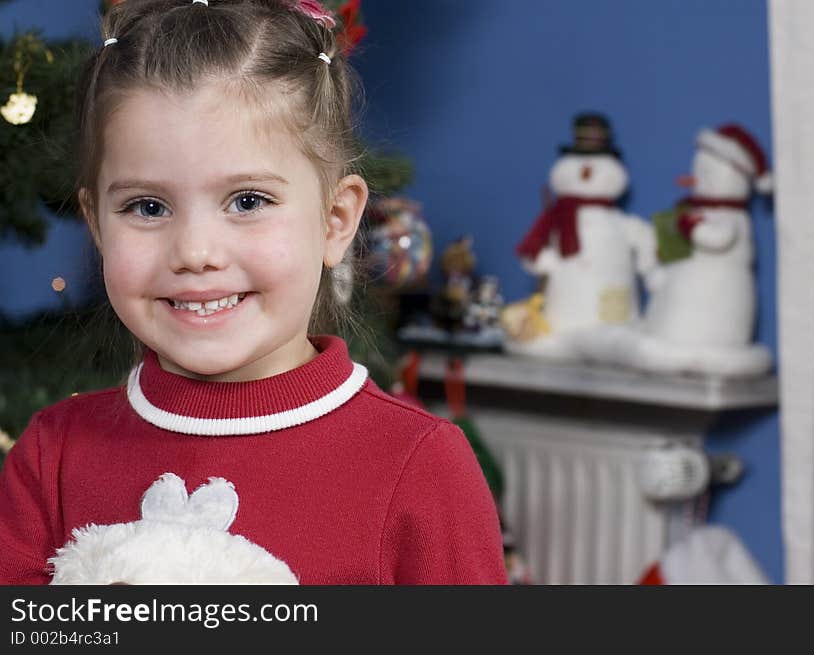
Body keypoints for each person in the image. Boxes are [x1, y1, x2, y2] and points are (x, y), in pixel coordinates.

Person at [0, 0, 507, 585]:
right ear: (96, 224)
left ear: (335, 220)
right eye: (147, 206)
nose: (195, 252)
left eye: (248, 201)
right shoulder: (52, 455)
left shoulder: (421, 465)